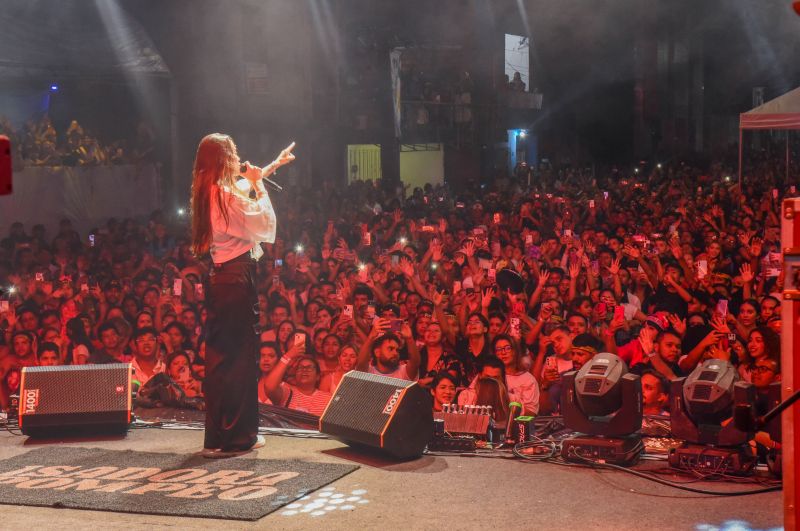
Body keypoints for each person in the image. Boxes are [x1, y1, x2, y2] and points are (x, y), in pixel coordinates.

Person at [190, 133, 295, 457]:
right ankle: (238, 438)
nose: (238, 160)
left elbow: (241, 190)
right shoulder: (224, 195)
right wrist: (260, 185)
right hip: (236, 280)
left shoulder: (208, 191)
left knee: (222, 361)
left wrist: (269, 168)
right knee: (239, 362)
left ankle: (218, 438)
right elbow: (262, 221)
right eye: (233, 155)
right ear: (225, 160)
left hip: (223, 280)